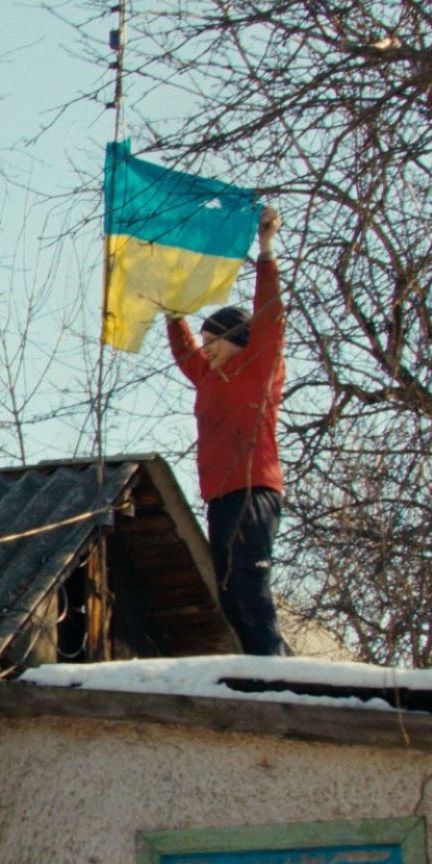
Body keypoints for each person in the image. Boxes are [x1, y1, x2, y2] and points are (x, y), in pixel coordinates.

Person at [167, 205, 289, 656]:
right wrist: (172, 309)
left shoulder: (259, 366)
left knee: (249, 582)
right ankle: (260, 665)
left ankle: (275, 671)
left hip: (254, 489)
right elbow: (184, 349)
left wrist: (266, 249)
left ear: (234, 339)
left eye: (212, 338)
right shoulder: (209, 377)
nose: (206, 347)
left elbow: (270, 315)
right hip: (219, 495)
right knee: (228, 591)